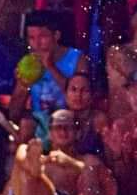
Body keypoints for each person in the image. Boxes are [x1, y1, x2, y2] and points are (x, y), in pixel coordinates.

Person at [7, 109, 85, 195]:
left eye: (68, 127)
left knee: (32, 176)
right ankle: (34, 169)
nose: (63, 131)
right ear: (49, 133)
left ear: (77, 132)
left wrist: (71, 162)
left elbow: (94, 175)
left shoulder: (83, 160)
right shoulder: (43, 157)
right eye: (58, 127)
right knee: (23, 150)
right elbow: (7, 190)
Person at [8, 10, 89, 142]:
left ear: (56, 35)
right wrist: (23, 86)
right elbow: (13, 115)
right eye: (31, 38)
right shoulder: (28, 63)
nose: (37, 44)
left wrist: (51, 67)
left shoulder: (77, 58)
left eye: (42, 37)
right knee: (25, 126)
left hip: (70, 123)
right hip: (41, 125)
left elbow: (82, 100)